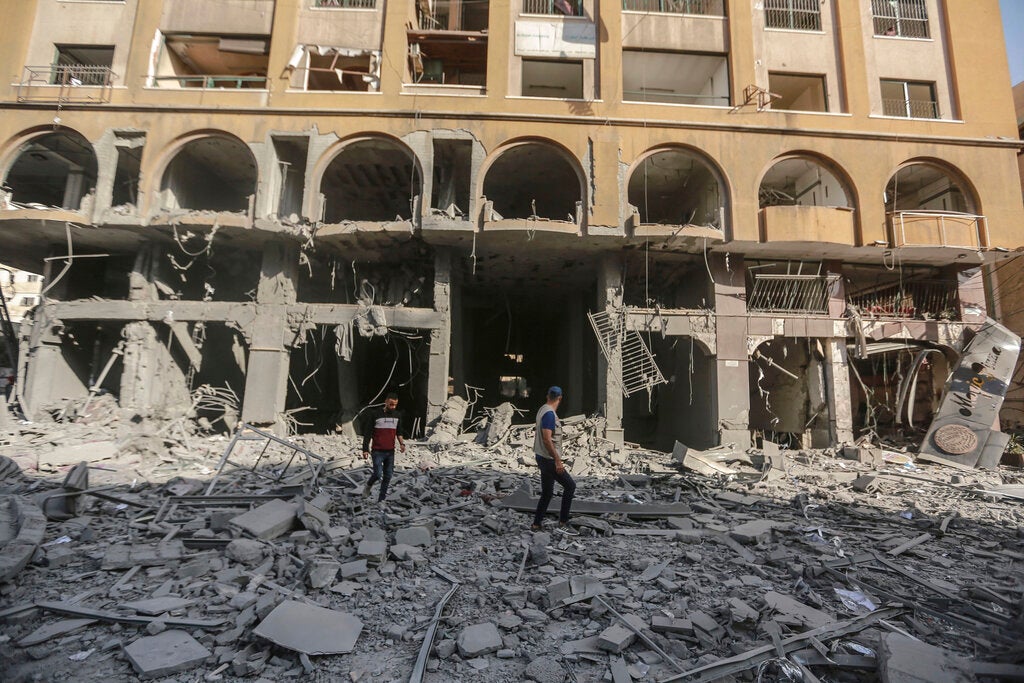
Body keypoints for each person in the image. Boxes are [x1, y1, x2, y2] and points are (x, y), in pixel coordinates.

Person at [532, 386, 577, 534]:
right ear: (560, 398)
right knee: (570, 486)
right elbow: (546, 439)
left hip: (541, 456)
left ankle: (536, 524)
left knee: (547, 492)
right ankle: (563, 522)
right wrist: (557, 460)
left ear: (547, 396)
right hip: (548, 459)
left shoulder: (542, 409)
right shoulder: (550, 415)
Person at [360, 392, 406, 502]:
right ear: (386, 402)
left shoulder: (397, 416)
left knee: (388, 475)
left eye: (395, 405)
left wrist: (402, 444)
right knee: (377, 473)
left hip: (390, 452)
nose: (393, 407)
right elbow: (368, 433)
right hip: (377, 451)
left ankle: (381, 498)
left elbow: (399, 432)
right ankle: (368, 486)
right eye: (391, 404)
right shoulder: (375, 414)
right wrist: (365, 449)